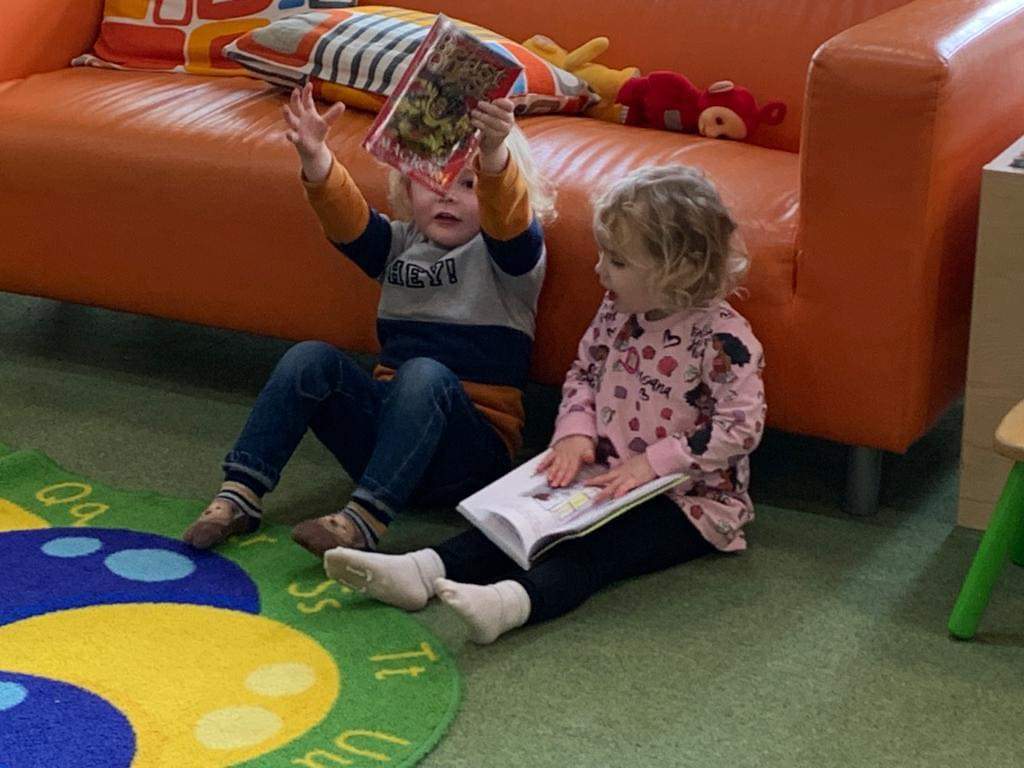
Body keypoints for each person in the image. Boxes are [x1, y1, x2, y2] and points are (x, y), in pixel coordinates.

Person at [324, 164, 766, 644]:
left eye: (616, 262)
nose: (599, 272)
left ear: (676, 269)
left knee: (587, 548)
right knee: (513, 522)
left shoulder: (724, 340)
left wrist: (652, 464)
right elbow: (584, 373)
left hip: (691, 501)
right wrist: (574, 431)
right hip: (603, 472)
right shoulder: (619, 311)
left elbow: (739, 427)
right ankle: (421, 570)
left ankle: (511, 603)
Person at [183, 83, 555, 556]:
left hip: (467, 454)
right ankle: (240, 493)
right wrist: (315, 156)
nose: (448, 197)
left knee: (423, 373)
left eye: (469, 184)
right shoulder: (401, 244)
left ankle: (365, 519)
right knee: (309, 359)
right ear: (406, 183)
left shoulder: (510, 258)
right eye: (434, 179)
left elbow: (510, 219)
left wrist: (494, 153)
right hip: (386, 442)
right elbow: (347, 221)